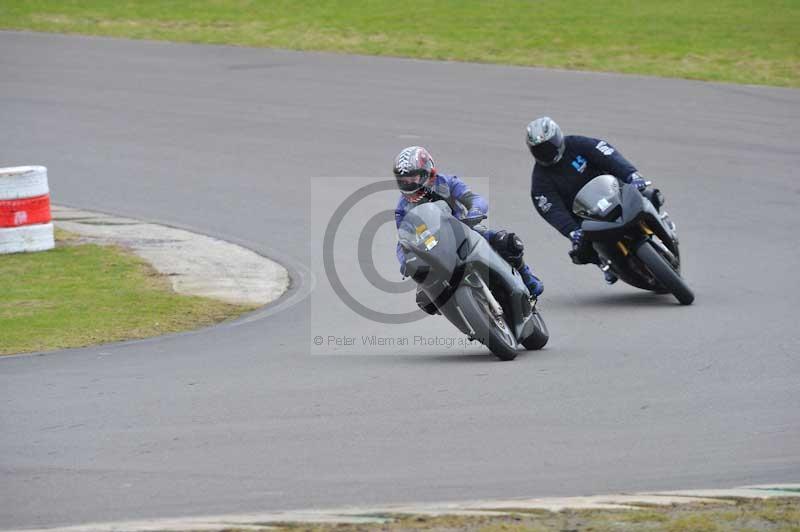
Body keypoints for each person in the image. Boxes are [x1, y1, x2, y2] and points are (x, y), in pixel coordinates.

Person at [393, 146, 543, 314]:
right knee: (424, 300)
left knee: (508, 242)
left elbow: (474, 199)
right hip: (436, 251)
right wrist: (405, 261)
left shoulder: (447, 182)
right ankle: (464, 316)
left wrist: (475, 211)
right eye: (403, 180)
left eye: (413, 177)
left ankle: (529, 281)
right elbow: (403, 241)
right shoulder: (402, 209)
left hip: (466, 233)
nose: (409, 183)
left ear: (428, 170)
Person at [526, 117, 661, 284]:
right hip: (587, 218)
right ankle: (605, 263)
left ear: (558, 138)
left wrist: (631, 174)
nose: (545, 152)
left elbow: (608, 155)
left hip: (613, 193)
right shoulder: (540, 181)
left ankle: (663, 224)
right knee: (581, 250)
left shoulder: (578, 144)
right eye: (539, 149)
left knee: (649, 195)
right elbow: (552, 210)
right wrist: (572, 231)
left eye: (548, 146)